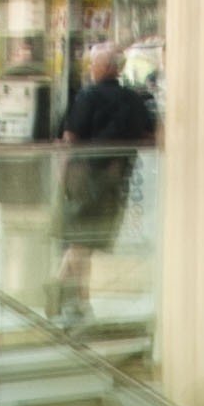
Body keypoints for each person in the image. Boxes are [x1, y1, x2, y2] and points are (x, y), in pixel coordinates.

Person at [52, 44, 154, 321]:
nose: (90, 69)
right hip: (114, 178)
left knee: (79, 242)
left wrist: (62, 175)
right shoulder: (133, 100)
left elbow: (70, 138)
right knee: (85, 242)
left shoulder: (88, 96)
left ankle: (60, 291)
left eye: (93, 64)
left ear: (102, 67)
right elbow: (152, 136)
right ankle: (79, 301)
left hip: (83, 178)